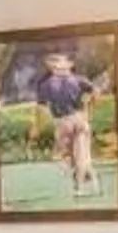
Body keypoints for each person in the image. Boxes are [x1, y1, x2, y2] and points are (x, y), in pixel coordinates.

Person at [35, 48, 98, 194]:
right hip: (79, 117)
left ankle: (80, 181)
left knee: (62, 155)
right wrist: (89, 108)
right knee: (81, 153)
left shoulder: (46, 84)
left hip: (63, 121)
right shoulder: (79, 79)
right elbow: (96, 91)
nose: (56, 64)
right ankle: (85, 177)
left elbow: (41, 106)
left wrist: (37, 125)